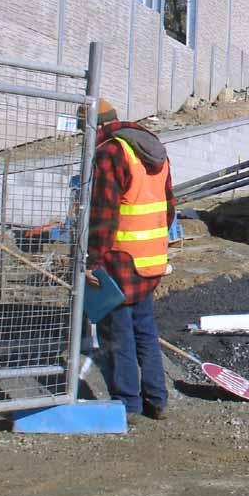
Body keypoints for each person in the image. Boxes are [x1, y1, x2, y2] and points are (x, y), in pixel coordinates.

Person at [81, 99, 174, 421]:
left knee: (117, 334)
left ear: (95, 126)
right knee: (144, 331)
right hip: (150, 260)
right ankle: (157, 400)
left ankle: (127, 404)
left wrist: (92, 260)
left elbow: (103, 215)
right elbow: (169, 208)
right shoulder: (152, 151)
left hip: (119, 261)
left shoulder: (110, 153)